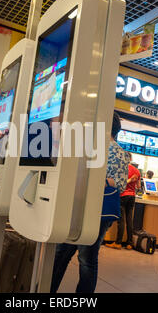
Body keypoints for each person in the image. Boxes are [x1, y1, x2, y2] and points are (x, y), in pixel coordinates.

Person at [50, 113, 129, 293]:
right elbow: (120, 185)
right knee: (84, 258)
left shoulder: (100, 150)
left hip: (86, 209)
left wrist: (95, 180)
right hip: (96, 212)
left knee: (68, 254)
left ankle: (47, 288)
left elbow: (116, 184)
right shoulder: (116, 152)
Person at [106, 156, 141, 250]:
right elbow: (138, 186)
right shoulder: (137, 171)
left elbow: (119, 184)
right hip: (132, 196)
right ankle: (129, 243)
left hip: (122, 195)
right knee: (129, 220)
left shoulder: (122, 169)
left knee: (121, 220)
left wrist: (128, 181)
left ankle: (118, 243)